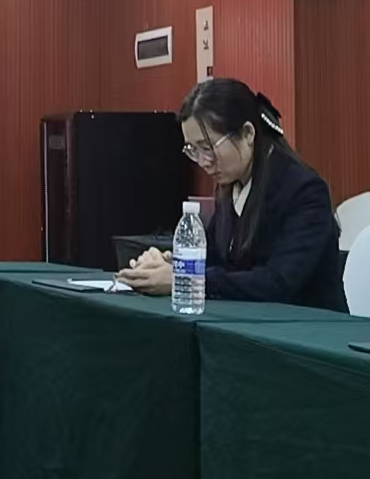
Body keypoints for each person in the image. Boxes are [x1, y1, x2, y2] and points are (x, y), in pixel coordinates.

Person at [117, 78, 346, 311]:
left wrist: (185, 279)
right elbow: (213, 259)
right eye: (193, 150)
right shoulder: (231, 186)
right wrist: (169, 263)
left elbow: (278, 282)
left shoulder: (304, 190)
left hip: (309, 325)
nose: (203, 162)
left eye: (208, 147)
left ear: (247, 134)